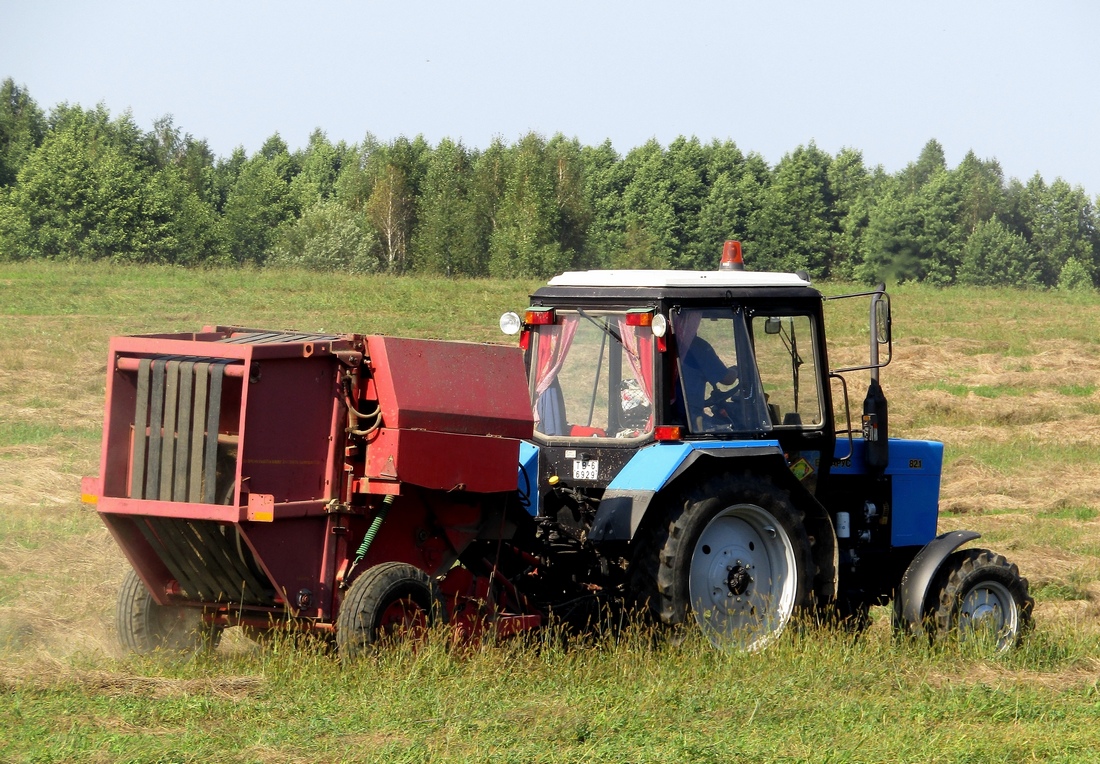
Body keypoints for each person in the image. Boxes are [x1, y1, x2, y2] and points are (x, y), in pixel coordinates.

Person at [678, 335, 738, 427]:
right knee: (726, 429)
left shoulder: (658, 344)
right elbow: (727, 379)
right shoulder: (697, 346)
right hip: (690, 416)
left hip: (665, 413)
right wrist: (736, 370)